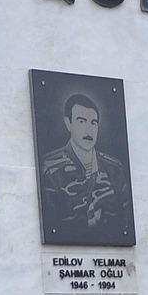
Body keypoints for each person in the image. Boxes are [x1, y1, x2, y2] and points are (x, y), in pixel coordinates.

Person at [39, 92, 130, 241]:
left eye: (93, 123)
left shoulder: (114, 168)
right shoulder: (51, 170)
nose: (89, 130)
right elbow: (53, 224)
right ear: (68, 123)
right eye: (81, 121)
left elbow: (126, 220)